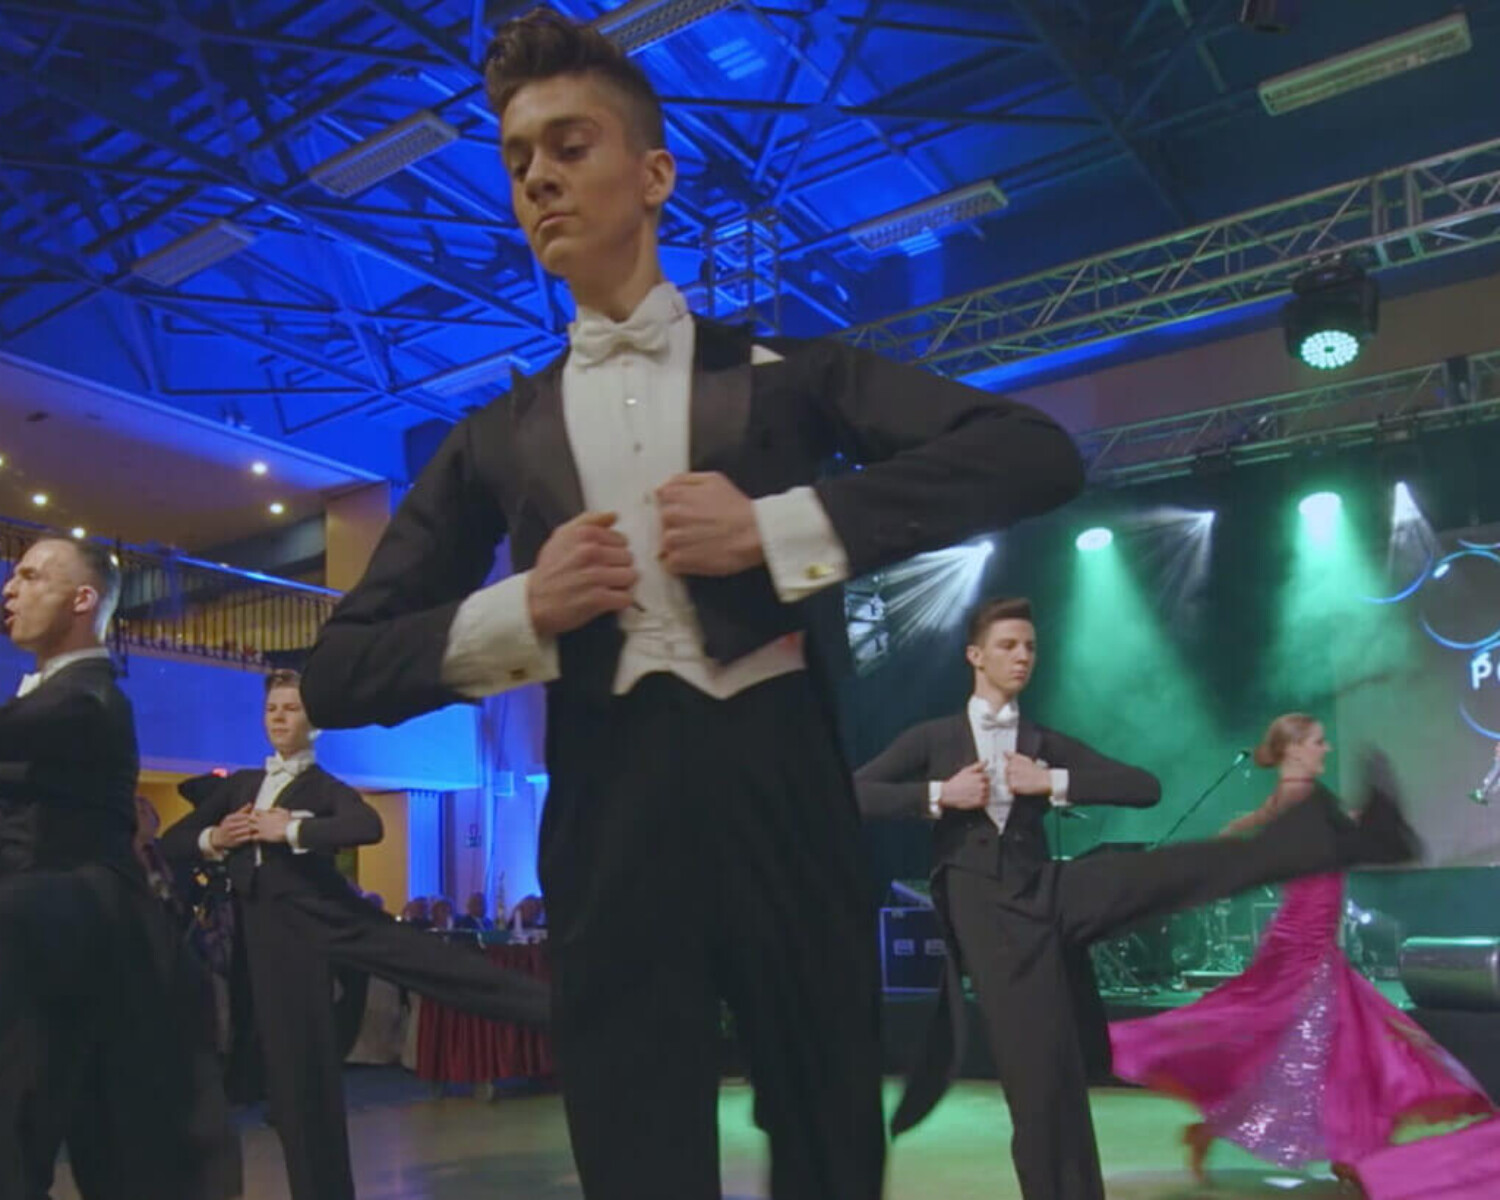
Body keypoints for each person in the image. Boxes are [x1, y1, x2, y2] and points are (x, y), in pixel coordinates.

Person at [298, 10, 1087, 1197]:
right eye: (517, 160)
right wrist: (522, 610)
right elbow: (335, 673)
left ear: (655, 173)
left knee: (831, 1148)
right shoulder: (493, 438)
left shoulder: (792, 376)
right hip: (604, 814)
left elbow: (1031, 451)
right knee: (634, 1157)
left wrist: (776, 531)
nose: (538, 178)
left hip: (786, 796)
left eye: (570, 145)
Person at [855, 599, 1422, 1200]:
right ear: (975, 656)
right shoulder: (935, 738)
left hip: (1045, 889)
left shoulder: (1040, 740)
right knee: (1044, 1084)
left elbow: (1142, 787)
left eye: (1030, 647)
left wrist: (1051, 780)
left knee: (1169, 869)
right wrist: (940, 793)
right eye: (1008, 646)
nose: (1023, 657)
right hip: (988, 914)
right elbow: (854, 792)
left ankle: (1357, 840)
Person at [160, 669, 550, 1200]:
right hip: (269, 937)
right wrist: (216, 836)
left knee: (427, 961)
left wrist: (289, 828)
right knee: (297, 1087)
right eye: (272, 708)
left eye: (291, 708)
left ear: (314, 724)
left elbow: (368, 826)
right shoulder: (240, 786)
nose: (278, 717)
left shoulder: (324, 787)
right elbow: (173, 841)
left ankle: (556, 1008)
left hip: (324, 915)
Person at [1110, 713, 1492, 1185]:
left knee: (1333, 1044)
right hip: (1303, 940)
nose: (1325, 749)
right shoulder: (1298, 795)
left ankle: (1342, 1147)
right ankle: (1344, 1148)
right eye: (1316, 741)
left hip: (1316, 939)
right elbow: (1306, 837)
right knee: (1303, 1039)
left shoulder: (1302, 794)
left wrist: (1243, 831)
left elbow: (1280, 825)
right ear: (1292, 749)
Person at [0, 536, 239, 1200]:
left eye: (30, 577)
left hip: (54, 948)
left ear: (83, 599)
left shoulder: (90, 699)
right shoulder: (57, 702)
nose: (9, 589)